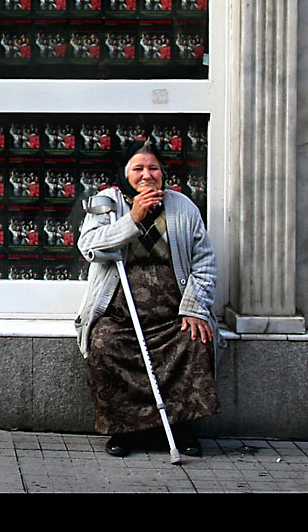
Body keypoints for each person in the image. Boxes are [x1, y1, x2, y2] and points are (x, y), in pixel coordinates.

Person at [75, 139, 221, 457]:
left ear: (163, 173)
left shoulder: (183, 207)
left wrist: (195, 308)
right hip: (121, 317)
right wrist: (133, 219)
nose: (146, 175)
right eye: (138, 168)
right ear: (125, 173)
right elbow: (90, 247)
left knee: (195, 339)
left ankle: (181, 429)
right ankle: (122, 430)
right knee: (103, 342)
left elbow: (204, 262)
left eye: (153, 168)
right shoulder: (106, 203)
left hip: (172, 315)